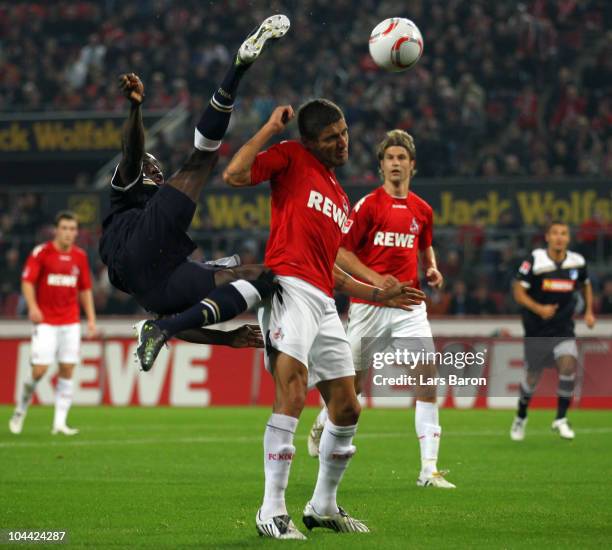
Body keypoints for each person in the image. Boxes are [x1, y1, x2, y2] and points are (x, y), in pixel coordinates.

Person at [224, 102, 425, 538]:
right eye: (333, 135)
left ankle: (322, 506)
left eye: (345, 131)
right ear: (311, 140)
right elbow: (234, 174)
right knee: (293, 392)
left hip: (322, 300)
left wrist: (376, 294)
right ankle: (271, 511)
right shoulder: (292, 157)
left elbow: (330, 263)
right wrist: (268, 130)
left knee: (347, 406)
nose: (344, 141)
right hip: (288, 288)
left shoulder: (338, 195)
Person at [97, 15, 291, 371]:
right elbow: (132, 152)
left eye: (157, 167)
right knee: (202, 159)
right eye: (151, 168)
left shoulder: (156, 228)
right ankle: (238, 68)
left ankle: (157, 332)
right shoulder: (126, 194)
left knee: (262, 278)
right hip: (140, 250)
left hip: (157, 283)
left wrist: (226, 339)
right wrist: (136, 108)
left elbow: (183, 323)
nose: (157, 171)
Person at [307, 129, 455, 489]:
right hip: (368, 305)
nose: (395, 163)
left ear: (412, 165)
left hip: (408, 304)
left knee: (426, 376)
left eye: (401, 158)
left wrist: (432, 267)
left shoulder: (423, 209)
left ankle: (429, 470)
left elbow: (425, 245)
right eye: (389, 158)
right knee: (350, 388)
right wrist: (377, 282)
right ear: (381, 165)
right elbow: (341, 252)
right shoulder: (368, 206)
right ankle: (323, 420)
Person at [9, 211, 97, 436]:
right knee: (39, 371)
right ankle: (20, 410)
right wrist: (33, 307)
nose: (68, 233)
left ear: (77, 232)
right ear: (56, 230)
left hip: (70, 321)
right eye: (65, 228)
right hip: (46, 321)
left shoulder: (79, 256)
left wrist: (91, 320)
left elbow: (85, 290)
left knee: (67, 368)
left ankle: (59, 423)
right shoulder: (42, 253)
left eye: (72, 229)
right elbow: (27, 282)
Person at [511, 221, 596, 441]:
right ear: (547, 237)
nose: (560, 237)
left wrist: (589, 311)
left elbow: (586, 284)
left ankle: (560, 419)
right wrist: (539, 308)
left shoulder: (577, 262)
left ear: (568, 238)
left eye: (564, 233)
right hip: (536, 329)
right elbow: (518, 291)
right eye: (555, 233)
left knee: (568, 364)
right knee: (532, 378)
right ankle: (520, 417)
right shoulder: (535, 260)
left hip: (563, 327)